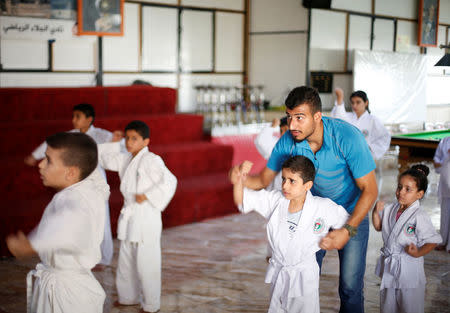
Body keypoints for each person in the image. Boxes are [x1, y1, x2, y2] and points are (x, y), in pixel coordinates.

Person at [230, 86, 378, 313]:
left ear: (317, 116)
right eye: (289, 117)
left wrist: (348, 229)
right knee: (304, 279)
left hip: (351, 214)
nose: (292, 125)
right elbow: (261, 180)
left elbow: (370, 189)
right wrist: (239, 177)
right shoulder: (289, 141)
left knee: (350, 287)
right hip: (312, 215)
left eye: (299, 118)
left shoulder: (347, 137)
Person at [6, 132, 109, 313]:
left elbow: (69, 222)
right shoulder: (90, 188)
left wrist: (32, 245)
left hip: (64, 296)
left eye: (48, 160)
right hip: (77, 288)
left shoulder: (72, 199)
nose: (40, 164)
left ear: (71, 172)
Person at [233, 156, 349, 313]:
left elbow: (351, 224)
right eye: (283, 179)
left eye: (292, 181)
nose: (285, 185)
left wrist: (340, 237)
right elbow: (242, 200)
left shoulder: (322, 207)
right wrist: (239, 180)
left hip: (304, 276)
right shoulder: (275, 200)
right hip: (280, 271)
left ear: (307, 185)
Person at [24, 103, 120, 269]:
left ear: (89, 119)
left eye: (78, 116)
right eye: (73, 116)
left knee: (100, 220)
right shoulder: (71, 137)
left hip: (95, 181)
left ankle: (103, 258)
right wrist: (34, 155)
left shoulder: (101, 134)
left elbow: (119, 146)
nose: (74, 120)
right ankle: (79, 255)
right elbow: (51, 145)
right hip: (74, 180)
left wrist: (117, 141)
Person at [98, 120, 177, 313]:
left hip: (146, 215)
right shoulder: (125, 158)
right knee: (126, 259)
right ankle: (128, 297)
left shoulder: (152, 159)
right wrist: (114, 143)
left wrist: (148, 195)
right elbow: (100, 157)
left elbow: (170, 180)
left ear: (146, 141)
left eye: (134, 138)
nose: (129, 142)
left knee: (146, 261)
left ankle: (151, 304)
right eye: (127, 138)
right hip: (130, 216)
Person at [372, 164, 442, 313]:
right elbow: (379, 227)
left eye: (407, 189)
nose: (401, 192)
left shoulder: (419, 216)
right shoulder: (391, 209)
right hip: (390, 268)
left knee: (409, 307)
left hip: (408, 269)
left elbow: (433, 240)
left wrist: (417, 252)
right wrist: (375, 213)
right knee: (388, 306)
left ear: (419, 194)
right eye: (399, 187)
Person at [331, 88, 391, 161]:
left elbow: (385, 137)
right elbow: (338, 118)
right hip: (348, 155)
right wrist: (340, 97)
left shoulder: (373, 120)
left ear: (366, 103)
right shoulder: (348, 117)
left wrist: (370, 148)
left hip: (365, 156)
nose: (354, 106)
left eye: (358, 102)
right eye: (352, 103)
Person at [433, 136, 450, 252]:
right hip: (445, 181)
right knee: (445, 213)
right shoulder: (445, 140)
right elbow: (437, 157)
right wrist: (439, 163)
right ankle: (443, 241)